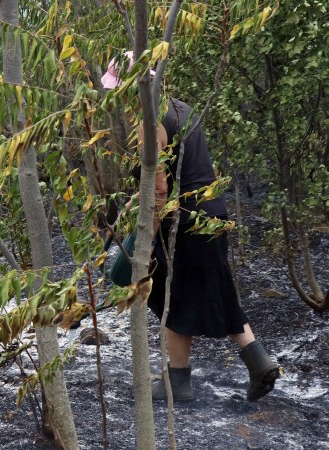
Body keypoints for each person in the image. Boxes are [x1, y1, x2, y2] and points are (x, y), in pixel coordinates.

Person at [101, 54, 282, 402]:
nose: (118, 97)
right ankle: (259, 365)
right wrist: (133, 201)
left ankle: (178, 383)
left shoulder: (148, 120)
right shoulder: (180, 108)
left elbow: (160, 190)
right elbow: (178, 169)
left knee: (172, 296)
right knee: (216, 291)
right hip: (209, 212)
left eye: (119, 89)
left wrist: (145, 240)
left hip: (183, 221)